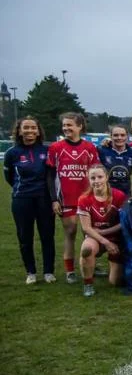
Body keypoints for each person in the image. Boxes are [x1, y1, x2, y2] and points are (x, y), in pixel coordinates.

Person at [47, 112, 99, 283]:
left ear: (80, 126)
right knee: (70, 232)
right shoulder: (55, 147)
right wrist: (54, 199)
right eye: (64, 125)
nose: (66, 128)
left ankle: (91, 264)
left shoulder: (89, 148)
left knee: (89, 234)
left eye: (69, 125)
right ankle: (70, 271)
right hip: (66, 198)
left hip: (86, 198)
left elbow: (96, 173)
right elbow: (50, 176)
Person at [4, 117, 56, 284]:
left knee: (47, 236)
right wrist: (22, 189)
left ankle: (48, 271)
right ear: (19, 131)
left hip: (44, 199)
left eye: (33, 128)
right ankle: (31, 272)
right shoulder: (12, 153)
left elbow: (51, 175)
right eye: (26, 128)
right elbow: (9, 177)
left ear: (38, 131)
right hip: (22, 199)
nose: (30, 131)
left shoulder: (47, 150)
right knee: (25, 237)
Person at [77, 165, 126, 296]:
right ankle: (88, 284)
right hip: (95, 238)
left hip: (116, 238)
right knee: (86, 249)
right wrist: (105, 241)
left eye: (100, 177)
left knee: (115, 282)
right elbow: (86, 228)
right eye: (93, 178)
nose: (97, 181)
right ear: (88, 179)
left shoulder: (119, 196)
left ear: (107, 177)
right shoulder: (84, 199)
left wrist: (104, 233)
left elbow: (124, 223)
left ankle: (115, 266)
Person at [99, 125, 132, 195]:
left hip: (125, 194)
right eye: (116, 135)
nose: (119, 138)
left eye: (122, 135)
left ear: (127, 136)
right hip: (106, 193)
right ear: (111, 136)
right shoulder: (102, 150)